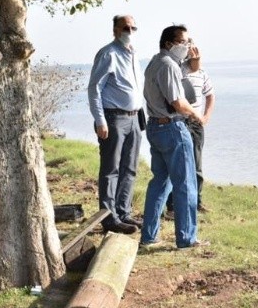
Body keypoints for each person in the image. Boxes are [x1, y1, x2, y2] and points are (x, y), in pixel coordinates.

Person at [140, 24, 210, 249]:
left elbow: (186, 71)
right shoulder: (168, 65)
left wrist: (194, 62)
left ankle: (149, 235)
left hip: (155, 127)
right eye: (184, 42)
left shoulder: (155, 62)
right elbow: (177, 102)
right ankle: (186, 238)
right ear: (169, 43)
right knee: (186, 184)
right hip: (172, 129)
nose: (187, 46)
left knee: (160, 182)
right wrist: (196, 114)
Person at [87, 14, 145, 234]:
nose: (129, 31)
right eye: (125, 28)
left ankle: (124, 212)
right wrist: (100, 121)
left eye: (132, 27)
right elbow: (94, 89)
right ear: (115, 30)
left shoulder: (133, 54)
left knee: (129, 168)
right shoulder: (108, 54)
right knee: (111, 169)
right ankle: (109, 218)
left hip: (134, 117)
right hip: (114, 118)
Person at [164, 41, 215, 217]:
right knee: (178, 166)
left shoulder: (202, 73)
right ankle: (172, 206)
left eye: (193, 48)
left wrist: (206, 116)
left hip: (197, 124)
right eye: (188, 48)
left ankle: (197, 202)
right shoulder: (177, 69)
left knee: (197, 166)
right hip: (180, 122)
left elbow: (210, 96)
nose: (191, 51)